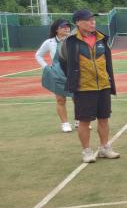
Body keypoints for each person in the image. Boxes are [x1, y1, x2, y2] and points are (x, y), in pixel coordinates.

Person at [58, 9, 122, 163]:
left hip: (103, 86)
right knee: (84, 121)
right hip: (83, 88)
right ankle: (86, 151)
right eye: (88, 19)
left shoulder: (102, 39)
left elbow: (107, 62)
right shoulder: (69, 42)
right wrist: (75, 78)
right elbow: (63, 62)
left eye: (93, 19)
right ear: (78, 22)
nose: (93, 22)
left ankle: (104, 148)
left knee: (104, 119)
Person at [36, 18, 74, 132]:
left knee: (77, 98)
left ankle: (80, 121)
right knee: (60, 99)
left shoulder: (73, 40)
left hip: (73, 72)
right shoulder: (49, 42)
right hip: (58, 73)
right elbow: (38, 55)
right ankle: (65, 123)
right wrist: (46, 68)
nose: (67, 28)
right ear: (57, 29)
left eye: (68, 26)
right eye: (63, 26)